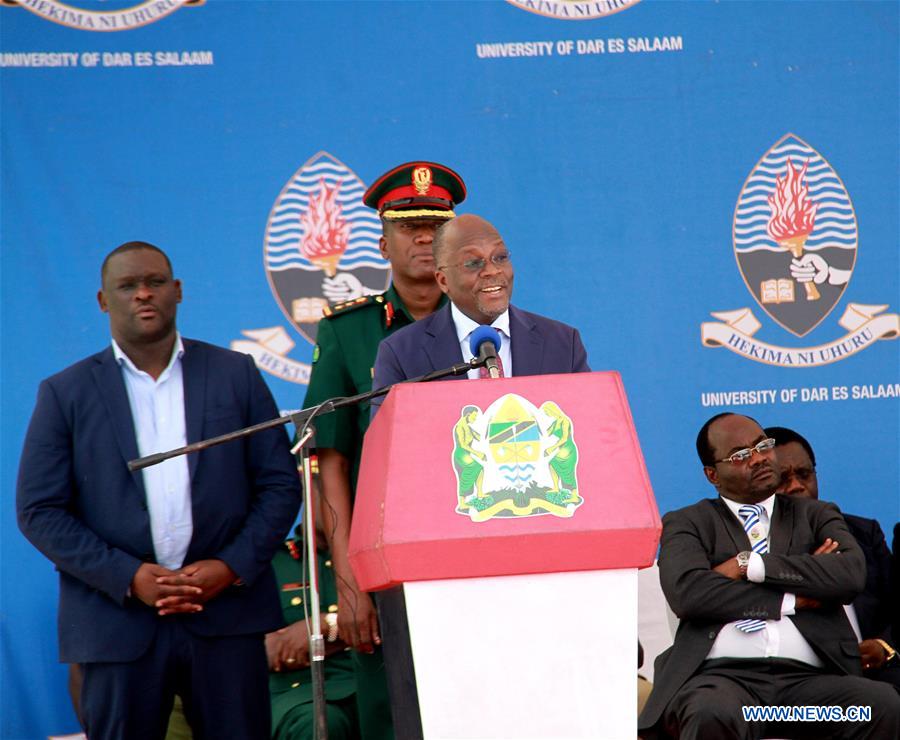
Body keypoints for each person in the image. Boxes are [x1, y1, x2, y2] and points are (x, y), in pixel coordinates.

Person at [16, 241, 301, 740]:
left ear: (178, 291)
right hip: (116, 620)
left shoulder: (235, 375)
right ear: (104, 301)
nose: (143, 294)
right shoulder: (65, 393)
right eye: (127, 286)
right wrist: (129, 577)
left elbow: (279, 484)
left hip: (225, 616)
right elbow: (39, 510)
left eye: (155, 282)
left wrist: (229, 567)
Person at [301, 161, 466, 740]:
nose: (423, 237)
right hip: (386, 561)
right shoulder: (349, 330)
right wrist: (350, 580)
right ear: (383, 243)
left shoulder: (492, 326)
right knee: (390, 718)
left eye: (435, 224)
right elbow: (330, 462)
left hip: (474, 553)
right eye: (409, 226)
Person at [638, 412, 900, 739]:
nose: (759, 458)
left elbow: (848, 575)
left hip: (808, 690)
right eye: (741, 455)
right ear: (712, 474)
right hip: (725, 682)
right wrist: (795, 598)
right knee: (710, 711)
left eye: (763, 446)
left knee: (881, 704)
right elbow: (689, 594)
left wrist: (750, 565)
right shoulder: (688, 522)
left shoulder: (815, 514)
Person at [371, 213, 590, 392]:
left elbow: (592, 428)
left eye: (500, 258)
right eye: (474, 263)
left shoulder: (562, 343)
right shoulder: (401, 353)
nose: (493, 271)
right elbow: (390, 442)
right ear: (444, 280)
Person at [767, 425, 899, 687]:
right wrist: (811, 575)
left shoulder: (862, 533)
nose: (796, 486)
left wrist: (884, 646)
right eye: (783, 480)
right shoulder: (757, 550)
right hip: (802, 681)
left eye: (804, 475)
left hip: (877, 672)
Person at [266, 524, 359, 740]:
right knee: (317, 723)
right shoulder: (273, 562)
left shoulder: (370, 555)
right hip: (300, 693)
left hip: (371, 686)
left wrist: (328, 625)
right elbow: (266, 647)